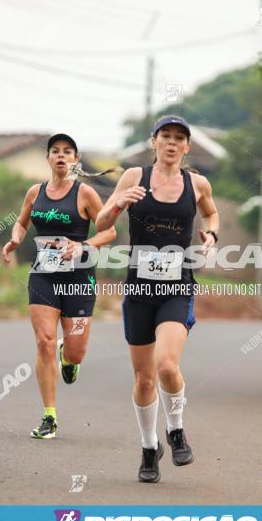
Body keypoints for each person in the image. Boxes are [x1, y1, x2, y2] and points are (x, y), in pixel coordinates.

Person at [96, 115, 219, 483]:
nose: (171, 142)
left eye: (178, 138)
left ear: (187, 147)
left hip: (177, 285)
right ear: (153, 142)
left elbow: (211, 212)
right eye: (165, 136)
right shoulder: (133, 177)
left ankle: (176, 429)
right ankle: (150, 448)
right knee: (144, 378)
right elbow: (102, 224)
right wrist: (118, 203)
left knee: (167, 365)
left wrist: (210, 236)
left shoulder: (197, 183)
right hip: (139, 288)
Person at [2, 134, 116, 439]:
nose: (61, 156)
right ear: (48, 158)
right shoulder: (34, 192)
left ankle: (69, 358)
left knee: (76, 351)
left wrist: (83, 245)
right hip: (44, 276)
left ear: (76, 160)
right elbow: (21, 222)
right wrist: (15, 238)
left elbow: (109, 233)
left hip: (79, 278)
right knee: (44, 343)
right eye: (56, 151)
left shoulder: (86, 194)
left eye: (68, 152)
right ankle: (49, 416)